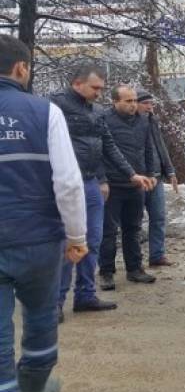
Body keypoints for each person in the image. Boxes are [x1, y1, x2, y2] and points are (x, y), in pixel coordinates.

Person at [0, 35, 88, 392]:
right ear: (21, 68)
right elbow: (67, 182)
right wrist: (77, 236)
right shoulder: (44, 112)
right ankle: (34, 388)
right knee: (39, 315)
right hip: (37, 239)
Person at [51, 66, 151, 319]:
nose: (99, 94)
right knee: (67, 243)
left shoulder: (97, 112)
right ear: (77, 83)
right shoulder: (55, 107)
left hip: (91, 183)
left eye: (102, 89)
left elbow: (109, 146)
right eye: (95, 88)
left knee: (92, 241)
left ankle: (85, 295)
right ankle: (55, 302)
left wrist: (131, 174)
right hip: (64, 184)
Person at [99, 85, 157, 290]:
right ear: (115, 102)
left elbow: (148, 148)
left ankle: (135, 269)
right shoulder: (104, 120)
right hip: (113, 185)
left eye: (134, 101)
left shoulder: (143, 120)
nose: (133, 105)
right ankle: (106, 272)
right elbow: (101, 152)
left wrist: (151, 173)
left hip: (137, 184)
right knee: (108, 231)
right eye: (128, 101)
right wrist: (102, 179)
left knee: (133, 228)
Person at [137, 90, 178, 268]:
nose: (150, 107)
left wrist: (170, 171)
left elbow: (160, 147)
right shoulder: (128, 124)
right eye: (146, 104)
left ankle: (157, 255)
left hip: (156, 177)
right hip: (137, 179)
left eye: (151, 104)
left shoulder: (152, 121)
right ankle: (134, 260)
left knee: (159, 217)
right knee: (134, 221)